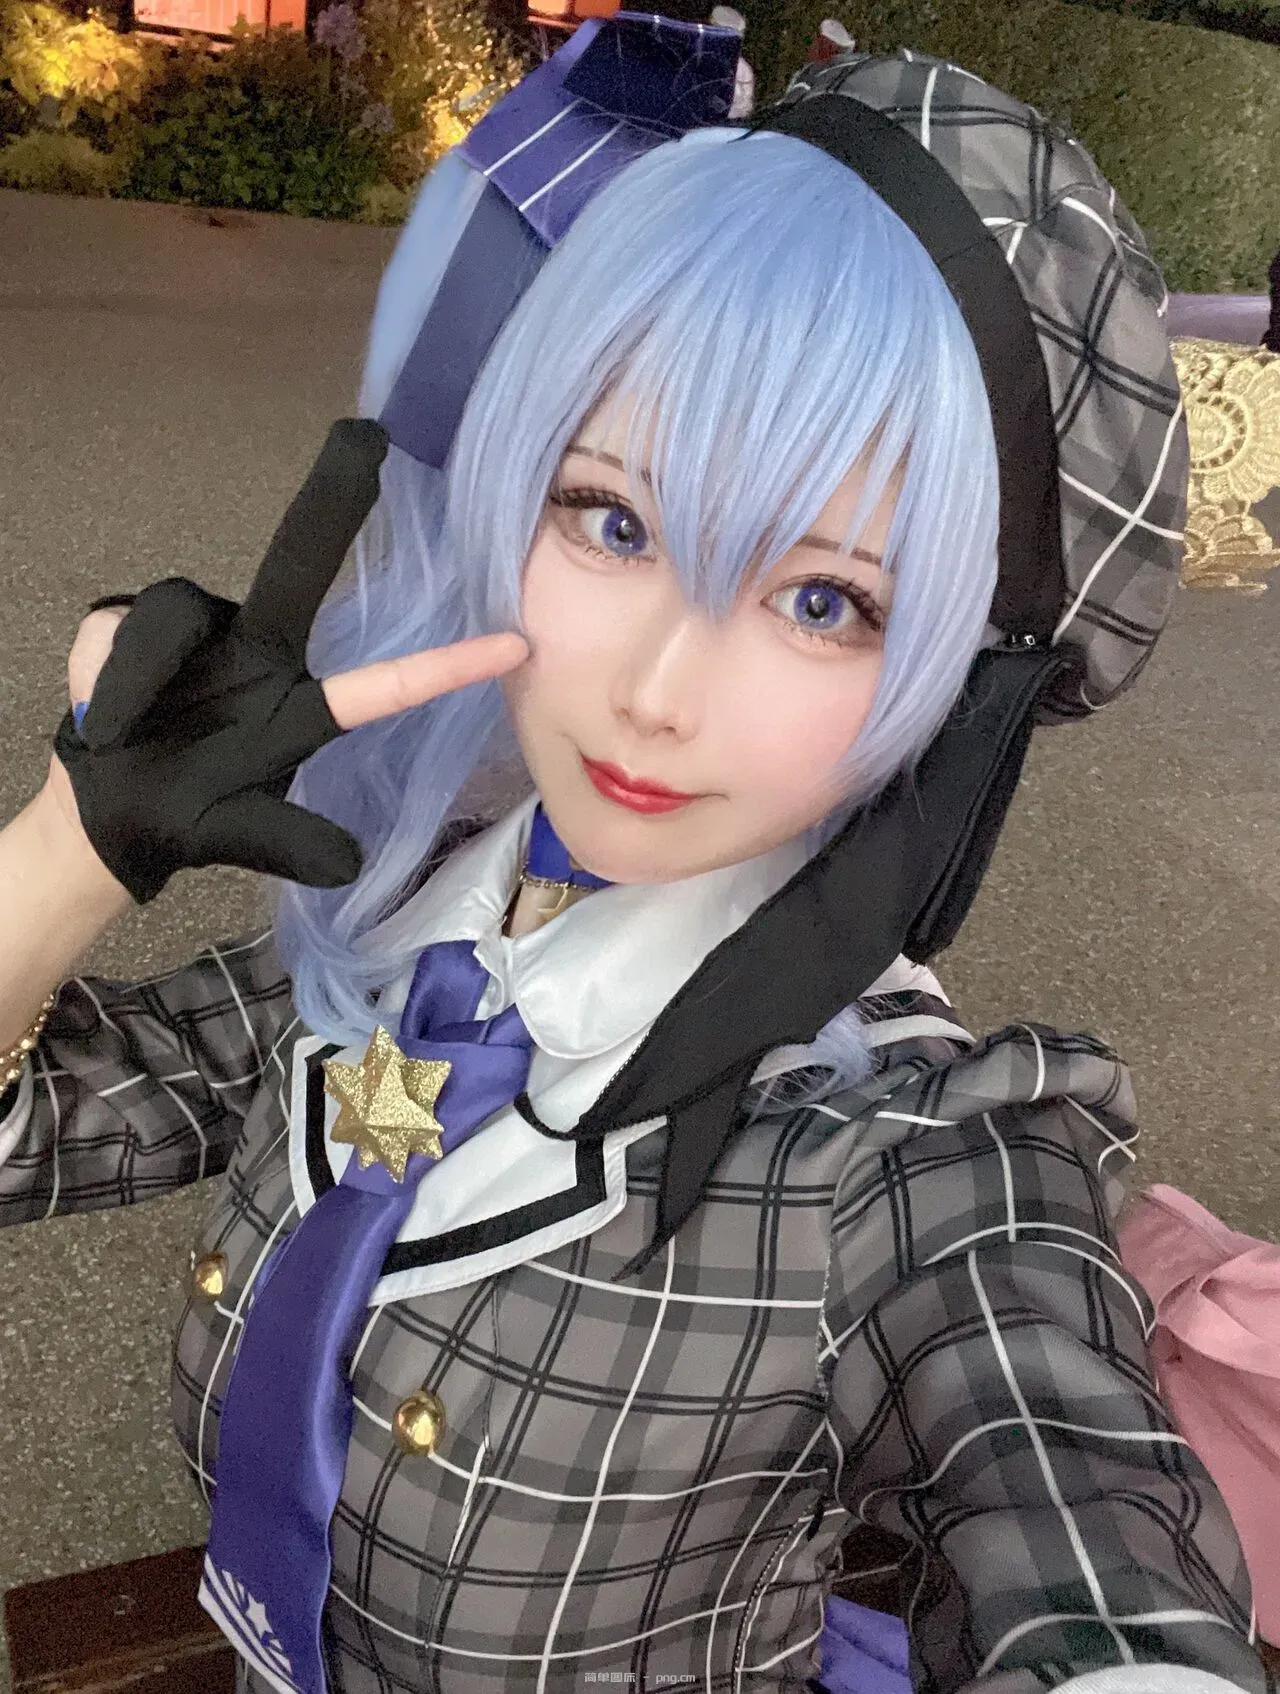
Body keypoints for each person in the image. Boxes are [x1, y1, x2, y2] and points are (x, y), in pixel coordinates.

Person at [0, 16, 1271, 1694]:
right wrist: (73, 841)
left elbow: (1077, 1521)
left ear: (958, 675)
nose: (655, 691)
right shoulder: (415, 919)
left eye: (822, 599)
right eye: (611, 518)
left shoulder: (909, 1162)